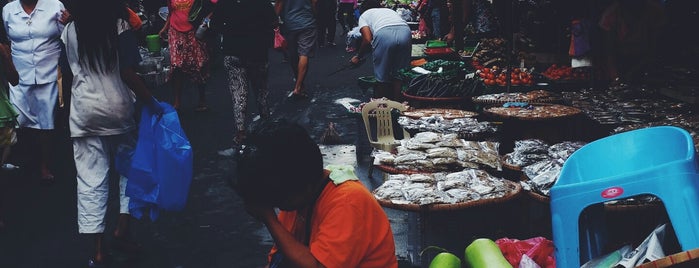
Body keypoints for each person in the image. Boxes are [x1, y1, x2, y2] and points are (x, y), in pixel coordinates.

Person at [61, 0, 160, 265]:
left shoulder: (70, 30)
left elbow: (68, 71)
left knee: (90, 179)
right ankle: (122, 229)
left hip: (84, 110)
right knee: (128, 171)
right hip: (118, 108)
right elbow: (127, 71)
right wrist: (151, 101)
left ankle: (98, 249)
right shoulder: (119, 26)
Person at [234, 118, 398, 267]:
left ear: (304, 186)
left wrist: (269, 219)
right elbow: (280, 254)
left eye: (277, 200)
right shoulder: (299, 194)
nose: (276, 205)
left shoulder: (348, 202)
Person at [2, 0, 70, 183]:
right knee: (19, 121)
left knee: (46, 122)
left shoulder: (55, 5)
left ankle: (44, 165)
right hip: (19, 75)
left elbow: (67, 36)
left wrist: (68, 22)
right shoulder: (9, 10)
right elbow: (8, 39)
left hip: (48, 72)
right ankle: (25, 161)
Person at [210, 0, 276, 156]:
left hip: (233, 50)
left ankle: (240, 133)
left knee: (238, 93)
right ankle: (269, 129)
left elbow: (214, 25)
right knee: (261, 91)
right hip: (258, 51)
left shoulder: (224, 2)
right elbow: (273, 21)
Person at [350, 0, 411, 101]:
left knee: (382, 75)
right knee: (400, 73)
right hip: (405, 32)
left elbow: (367, 39)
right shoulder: (388, 11)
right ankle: (398, 104)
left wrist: (358, 56)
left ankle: (382, 106)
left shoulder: (364, 16)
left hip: (384, 33)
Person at [158, 0, 211, 111]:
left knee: (200, 64)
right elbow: (171, 13)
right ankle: (177, 101)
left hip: (194, 32)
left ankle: (202, 99)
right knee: (177, 66)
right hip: (175, 32)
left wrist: (205, 23)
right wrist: (164, 28)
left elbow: (213, 8)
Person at [276, 0, 317, 99]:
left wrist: (275, 21)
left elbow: (279, 3)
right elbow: (314, 2)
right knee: (304, 54)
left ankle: (300, 84)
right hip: (307, 22)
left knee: (293, 55)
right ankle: (298, 87)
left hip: (290, 24)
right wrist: (314, 15)